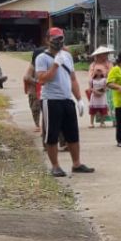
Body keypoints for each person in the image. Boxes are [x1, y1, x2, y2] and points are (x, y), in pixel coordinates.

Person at [35, 27, 94, 177]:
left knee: (73, 133)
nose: (58, 42)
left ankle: (76, 163)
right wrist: (55, 65)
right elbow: (41, 79)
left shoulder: (67, 56)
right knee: (52, 134)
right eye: (55, 39)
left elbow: (72, 78)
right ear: (47, 40)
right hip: (51, 100)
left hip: (67, 99)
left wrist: (79, 99)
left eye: (60, 39)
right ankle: (55, 166)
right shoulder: (42, 58)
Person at [87, 46, 114, 128]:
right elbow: (90, 76)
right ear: (99, 55)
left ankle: (112, 121)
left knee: (110, 105)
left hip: (108, 86)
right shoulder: (93, 65)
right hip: (95, 87)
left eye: (107, 54)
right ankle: (96, 122)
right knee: (95, 106)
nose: (106, 56)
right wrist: (92, 88)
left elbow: (112, 74)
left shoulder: (109, 64)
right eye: (104, 54)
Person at [22, 51, 42, 132]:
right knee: (35, 108)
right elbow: (27, 77)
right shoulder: (33, 65)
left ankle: (43, 125)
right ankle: (37, 125)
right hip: (34, 90)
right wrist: (37, 82)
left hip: (41, 90)